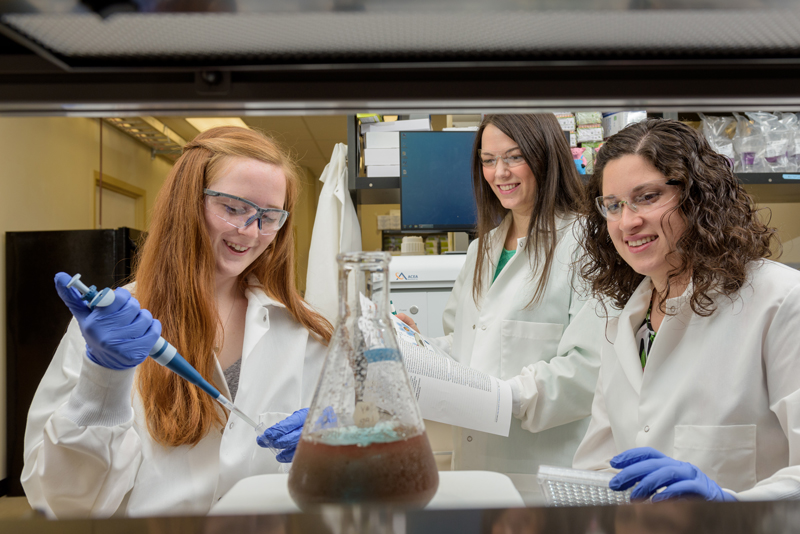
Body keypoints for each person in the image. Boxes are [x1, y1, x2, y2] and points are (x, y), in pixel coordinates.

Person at [22, 126, 332, 518]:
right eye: (234, 208)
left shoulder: (304, 331)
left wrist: (339, 446)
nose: (250, 232)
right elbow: (57, 501)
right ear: (187, 201)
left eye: (269, 217)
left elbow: (345, 481)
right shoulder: (115, 326)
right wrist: (103, 381)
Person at [573, 118, 800, 501]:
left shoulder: (779, 301)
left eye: (647, 196)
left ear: (697, 196)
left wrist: (731, 507)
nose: (628, 221)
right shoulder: (624, 323)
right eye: (613, 205)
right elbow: (599, 466)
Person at [397, 114, 604, 492]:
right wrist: (416, 347)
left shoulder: (587, 243)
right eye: (488, 160)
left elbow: (589, 369)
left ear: (546, 157)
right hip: (473, 464)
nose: (499, 173)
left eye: (514, 157)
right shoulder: (481, 250)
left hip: (543, 471)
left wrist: (502, 399)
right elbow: (462, 347)